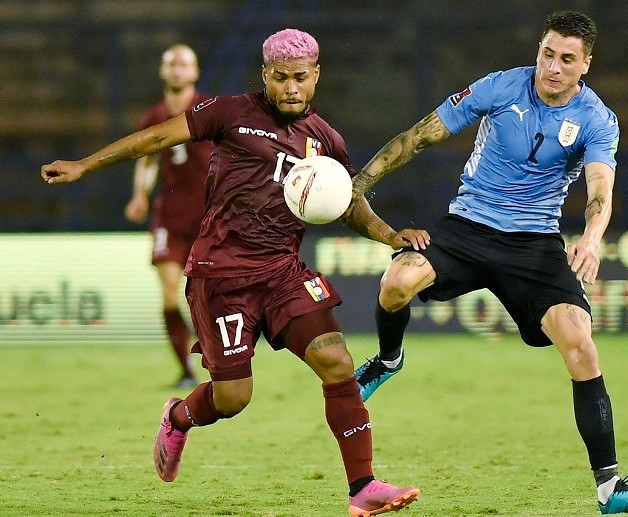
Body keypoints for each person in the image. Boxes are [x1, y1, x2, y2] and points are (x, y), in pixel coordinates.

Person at [42, 28, 425, 517]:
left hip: (283, 272)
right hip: (221, 275)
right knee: (233, 397)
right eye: (281, 77)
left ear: (316, 77)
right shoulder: (230, 113)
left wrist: (391, 235)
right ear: (265, 74)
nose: (291, 87)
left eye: (300, 78)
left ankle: (363, 488)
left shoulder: (325, 140)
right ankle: (179, 417)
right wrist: (85, 165)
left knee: (338, 363)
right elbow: (158, 137)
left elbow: (349, 203)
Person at [349, 11, 628, 515]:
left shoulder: (596, 119)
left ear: (586, 64)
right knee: (395, 282)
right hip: (469, 227)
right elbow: (420, 135)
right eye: (547, 54)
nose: (553, 68)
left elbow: (600, 188)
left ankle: (611, 490)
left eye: (567, 59)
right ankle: (389, 360)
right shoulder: (500, 88)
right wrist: (358, 185)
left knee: (581, 344)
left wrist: (590, 238)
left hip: (533, 245)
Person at [124, 44, 212, 389]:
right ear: (163, 72)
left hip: (209, 218)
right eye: (171, 64)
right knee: (168, 293)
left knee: (208, 295)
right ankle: (188, 370)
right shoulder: (153, 118)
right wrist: (140, 194)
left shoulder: (208, 111)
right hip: (171, 219)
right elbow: (145, 161)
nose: (177, 69)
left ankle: (220, 357)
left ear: (195, 73)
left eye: (184, 64)